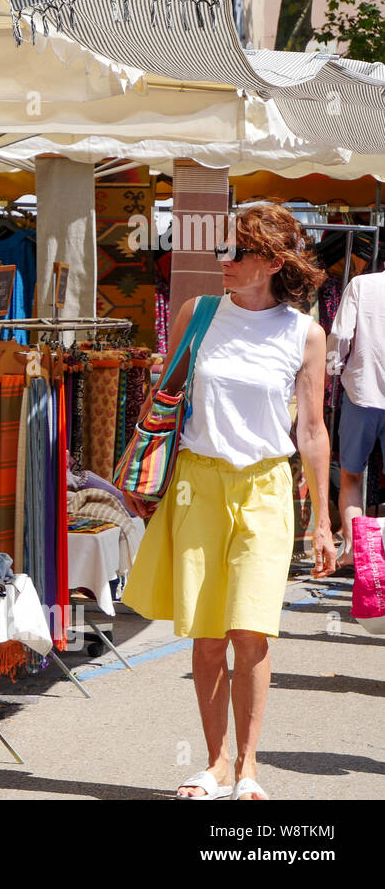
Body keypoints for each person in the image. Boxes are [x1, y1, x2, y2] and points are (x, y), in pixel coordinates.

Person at [122, 204, 335, 801]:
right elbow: (162, 402)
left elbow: (313, 432)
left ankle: (248, 769)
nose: (224, 261)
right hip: (196, 482)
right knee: (209, 633)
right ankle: (213, 764)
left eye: (237, 253)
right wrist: (145, 481)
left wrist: (323, 521)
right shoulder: (198, 314)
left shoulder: (304, 332)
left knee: (251, 630)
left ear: (271, 262)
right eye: (223, 250)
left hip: (266, 486)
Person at [327, 267, 385, 566]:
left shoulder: (361, 285)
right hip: (363, 390)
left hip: (362, 392)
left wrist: (332, 368)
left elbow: (340, 335)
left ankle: (354, 553)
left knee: (352, 474)